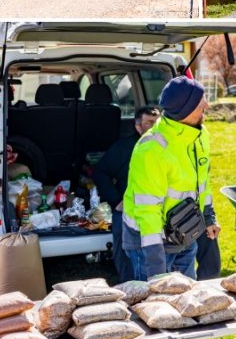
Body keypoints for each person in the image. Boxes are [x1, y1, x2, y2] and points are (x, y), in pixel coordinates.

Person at [122, 76, 219, 280]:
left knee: (186, 300)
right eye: (201, 101)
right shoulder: (151, 150)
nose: (207, 104)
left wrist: (208, 216)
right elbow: (147, 212)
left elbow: (202, 182)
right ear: (186, 111)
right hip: (150, 245)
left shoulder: (199, 135)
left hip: (185, 233)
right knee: (156, 306)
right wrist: (156, 268)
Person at [92, 106, 161, 284]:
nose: (155, 126)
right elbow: (100, 172)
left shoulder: (166, 146)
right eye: (150, 123)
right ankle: (127, 286)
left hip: (158, 209)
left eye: (158, 122)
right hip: (129, 209)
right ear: (138, 127)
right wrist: (116, 201)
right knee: (125, 252)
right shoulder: (124, 148)